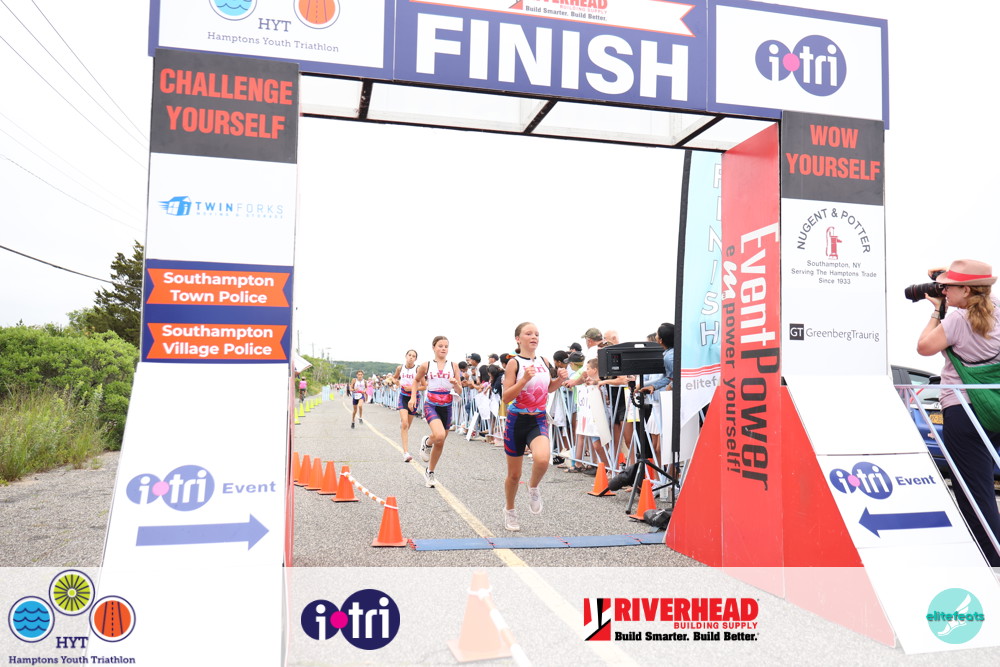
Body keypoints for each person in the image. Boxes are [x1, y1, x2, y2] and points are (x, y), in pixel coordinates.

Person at [917, 260, 1000, 566]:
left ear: (966, 290)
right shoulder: (997, 309)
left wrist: (936, 312)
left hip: (964, 409)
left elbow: (924, 347)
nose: (944, 291)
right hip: (994, 405)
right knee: (986, 482)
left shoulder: (956, 320)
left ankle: (990, 558)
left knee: (973, 488)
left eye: (949, 287)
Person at [501, 322, 567, 530]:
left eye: (536, 334)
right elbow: (506, 397)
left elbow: (548, 388)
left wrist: (560, 380)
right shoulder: (514, 363)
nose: (534, 337)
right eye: (528, 333)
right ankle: (510, 510)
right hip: (516, 421)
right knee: (514, 475)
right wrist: (523, 380)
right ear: (518, 339)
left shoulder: (544, 361)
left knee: (542, 459)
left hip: (537, 419)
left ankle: (533, 487)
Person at [410, 336, 462, 488]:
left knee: (441, 440)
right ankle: (427, 442)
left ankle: (430, 471)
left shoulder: (454, 366)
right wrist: (413, 397)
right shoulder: (426, 365)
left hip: (447, 405)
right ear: (433, 347)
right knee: (439, 435)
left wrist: (455, 384)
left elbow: (460, 390)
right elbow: (416, 381)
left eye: (446, 346)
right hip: (431, 404)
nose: (443, 348)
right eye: (440, 346)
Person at [393, 349, 423, 462]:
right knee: (405, 423)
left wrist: (412, 388)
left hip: (414, 398)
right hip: (403, 397)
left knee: (407, 426)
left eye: (413, 356)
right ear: (406, 356)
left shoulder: (418, 369)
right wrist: (396, 382)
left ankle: (403, 426)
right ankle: (406, 453)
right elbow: (395, 377)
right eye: (409, 355)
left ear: (416, 359)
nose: (411, 357)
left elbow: (424, 386)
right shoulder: (400, 368)